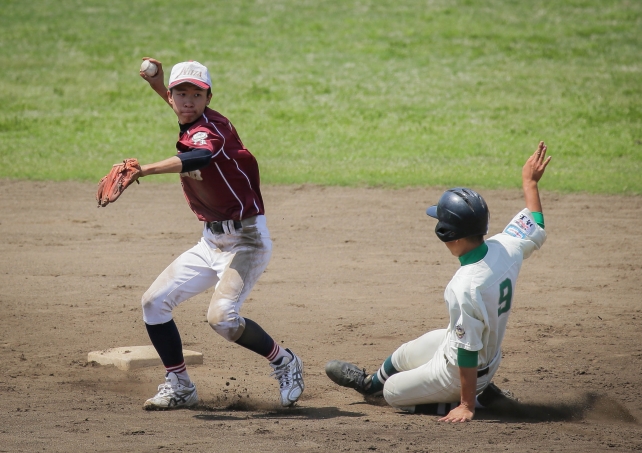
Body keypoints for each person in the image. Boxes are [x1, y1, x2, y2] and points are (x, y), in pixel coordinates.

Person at [118, 58, 304, 409]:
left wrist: (144, 169)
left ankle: (285, 361)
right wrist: (157, 85)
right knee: (153, 303)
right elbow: (182, 111)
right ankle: (180, 386)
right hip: (210, 242)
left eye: (197, 95)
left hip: (246, 242)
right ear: (172, 97)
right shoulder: (189, 118)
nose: (188, 101)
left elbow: (199, 157)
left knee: (222, 319)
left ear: (208, 98)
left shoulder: (212, 131)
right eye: (181, 94)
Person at [325, 142, 552, 422]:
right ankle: (369, 383)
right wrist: (530, 183)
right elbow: (536, 225)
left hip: (463, 372)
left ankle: (478, 400)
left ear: (448, 234)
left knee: (393, 393)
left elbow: (467, 352)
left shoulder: (465, 286)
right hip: (485, 355)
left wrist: (466, 404)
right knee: (407, 353)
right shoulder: (506, 246)